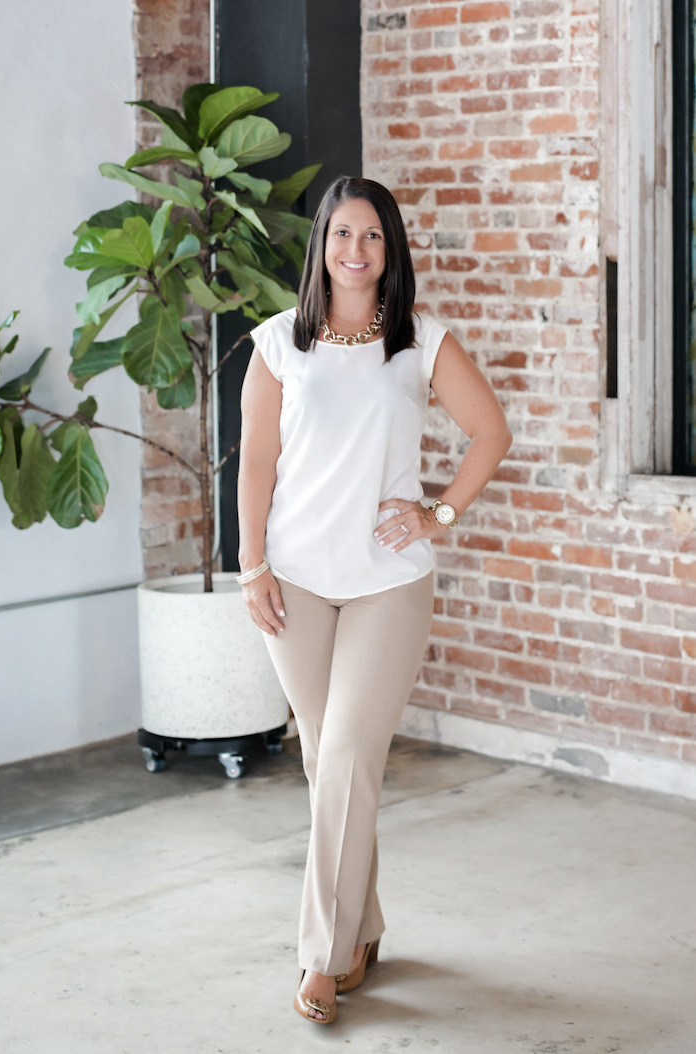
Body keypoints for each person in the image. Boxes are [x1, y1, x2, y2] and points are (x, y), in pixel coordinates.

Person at [236, 176, 512, 1026]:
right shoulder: (278, 343)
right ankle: (363, 928)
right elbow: (255, 461)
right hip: (295, 579)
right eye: (342, 234)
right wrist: (251, 566)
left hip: (388, 582)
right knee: (329, 763)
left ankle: (322, 958)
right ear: (321, 244)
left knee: (348, 756)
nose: (355, 250)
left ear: (390, 250)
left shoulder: (420, 341)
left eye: (373, 237)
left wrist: (439, 513)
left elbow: (491, 431)